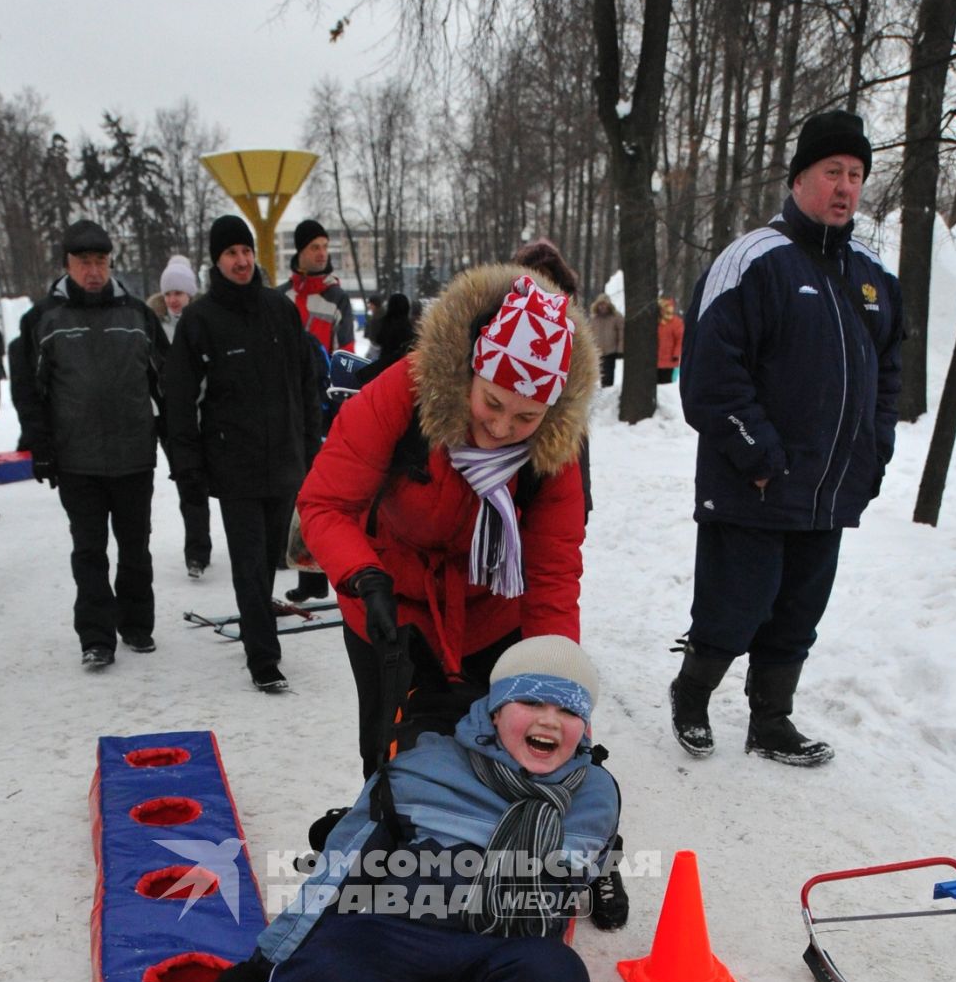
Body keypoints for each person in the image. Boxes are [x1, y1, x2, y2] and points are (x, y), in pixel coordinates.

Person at [175, 636, 620, 982]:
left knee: (555, 979)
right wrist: (265, 960)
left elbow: (571, 885)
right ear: (496, 709)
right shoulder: (419, 768)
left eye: (567, 709)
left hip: (492, 975)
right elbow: (338, 871)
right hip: (391, 953)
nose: (548, 721)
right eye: (531, 701)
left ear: (584, 725)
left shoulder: (594, 793)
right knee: (322, 973)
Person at [296, 262, 597, 777]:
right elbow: (325, 504)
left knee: (495, 756)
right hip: (386, 601)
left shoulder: (555, 450)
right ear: (469, 372)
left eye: (527, 417)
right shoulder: (403, 394)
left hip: (491, 611)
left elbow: (551, 575)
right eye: (493, 402)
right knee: (389, 750)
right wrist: (364, 577)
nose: (503, 428)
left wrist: (556, 694)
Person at [670, 109, 903, 767]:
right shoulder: (754, 261)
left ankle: (771, 723)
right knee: (734, 607)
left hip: (828, 490)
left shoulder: (871, 275)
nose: (846, 187)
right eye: (833, 172)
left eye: (856, 175)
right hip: (753, 484)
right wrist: (761, 456)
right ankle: (691, 696)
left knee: (797, 614)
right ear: (800, 178)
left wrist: (874, 450)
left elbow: (889, 373)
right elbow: (710, 379)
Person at [163, 214, 322, 694]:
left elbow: (304, 383)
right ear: (216, 260)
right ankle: (263, 658)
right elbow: (179, 401)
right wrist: (187, 466)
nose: (241, 260)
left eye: (246, 251)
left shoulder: (280, 309)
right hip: (234, 468)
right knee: (249, 564)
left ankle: (260, 622)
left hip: (285, 463)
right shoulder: (200, 320)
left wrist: (311, 449)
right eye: (231, 253)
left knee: (273, 559)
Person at [10, 218, 167, 670]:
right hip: (77, 459)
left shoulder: (138, 314)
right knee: (89, 551)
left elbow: (165, 384)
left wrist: (177, 444)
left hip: (135, 455)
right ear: (67, 265)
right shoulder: (42, 318)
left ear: (111, 263)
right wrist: (38, 444)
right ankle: (96, 636)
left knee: (136, 547)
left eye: (100, 261)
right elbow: (28, 390)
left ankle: (137, 625)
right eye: (84, 262)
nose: (93, 271)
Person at [148, 252, 212, 580]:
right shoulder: (153, 327)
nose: (174, 299)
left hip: (208, 414)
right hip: (170, 418)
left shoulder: (205, 322)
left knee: (213, 481)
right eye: (169, 293)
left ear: (190, 293)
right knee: (189, 483)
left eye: (179, 293)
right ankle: (197, 552)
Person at [286, 218, 355, 355]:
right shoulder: (282, 296)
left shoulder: (337, 298)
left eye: (325, 246)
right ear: (301, 251)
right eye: (315, 247)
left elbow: (345, 358)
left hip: (324, 376)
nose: (322, 253)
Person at [589, 294, 623, 387]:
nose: (602, 307)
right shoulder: (594, 318)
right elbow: (590, 334)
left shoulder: (616, 317)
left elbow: (621, 334)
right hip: (597, 350)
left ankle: (608, 389)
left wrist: (620, 350)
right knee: (600, 373)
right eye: (600, 304)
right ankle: (603, 390)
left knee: (609, 373)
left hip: (610, 351)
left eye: (604, 304)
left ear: (609, 305)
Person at [656, 296, 683, 384]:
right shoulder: (656, 322)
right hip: (655, 361)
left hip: (670, 361)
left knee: (666, 387)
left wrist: (676, 354)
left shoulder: (676, 323)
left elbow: (680, 340)